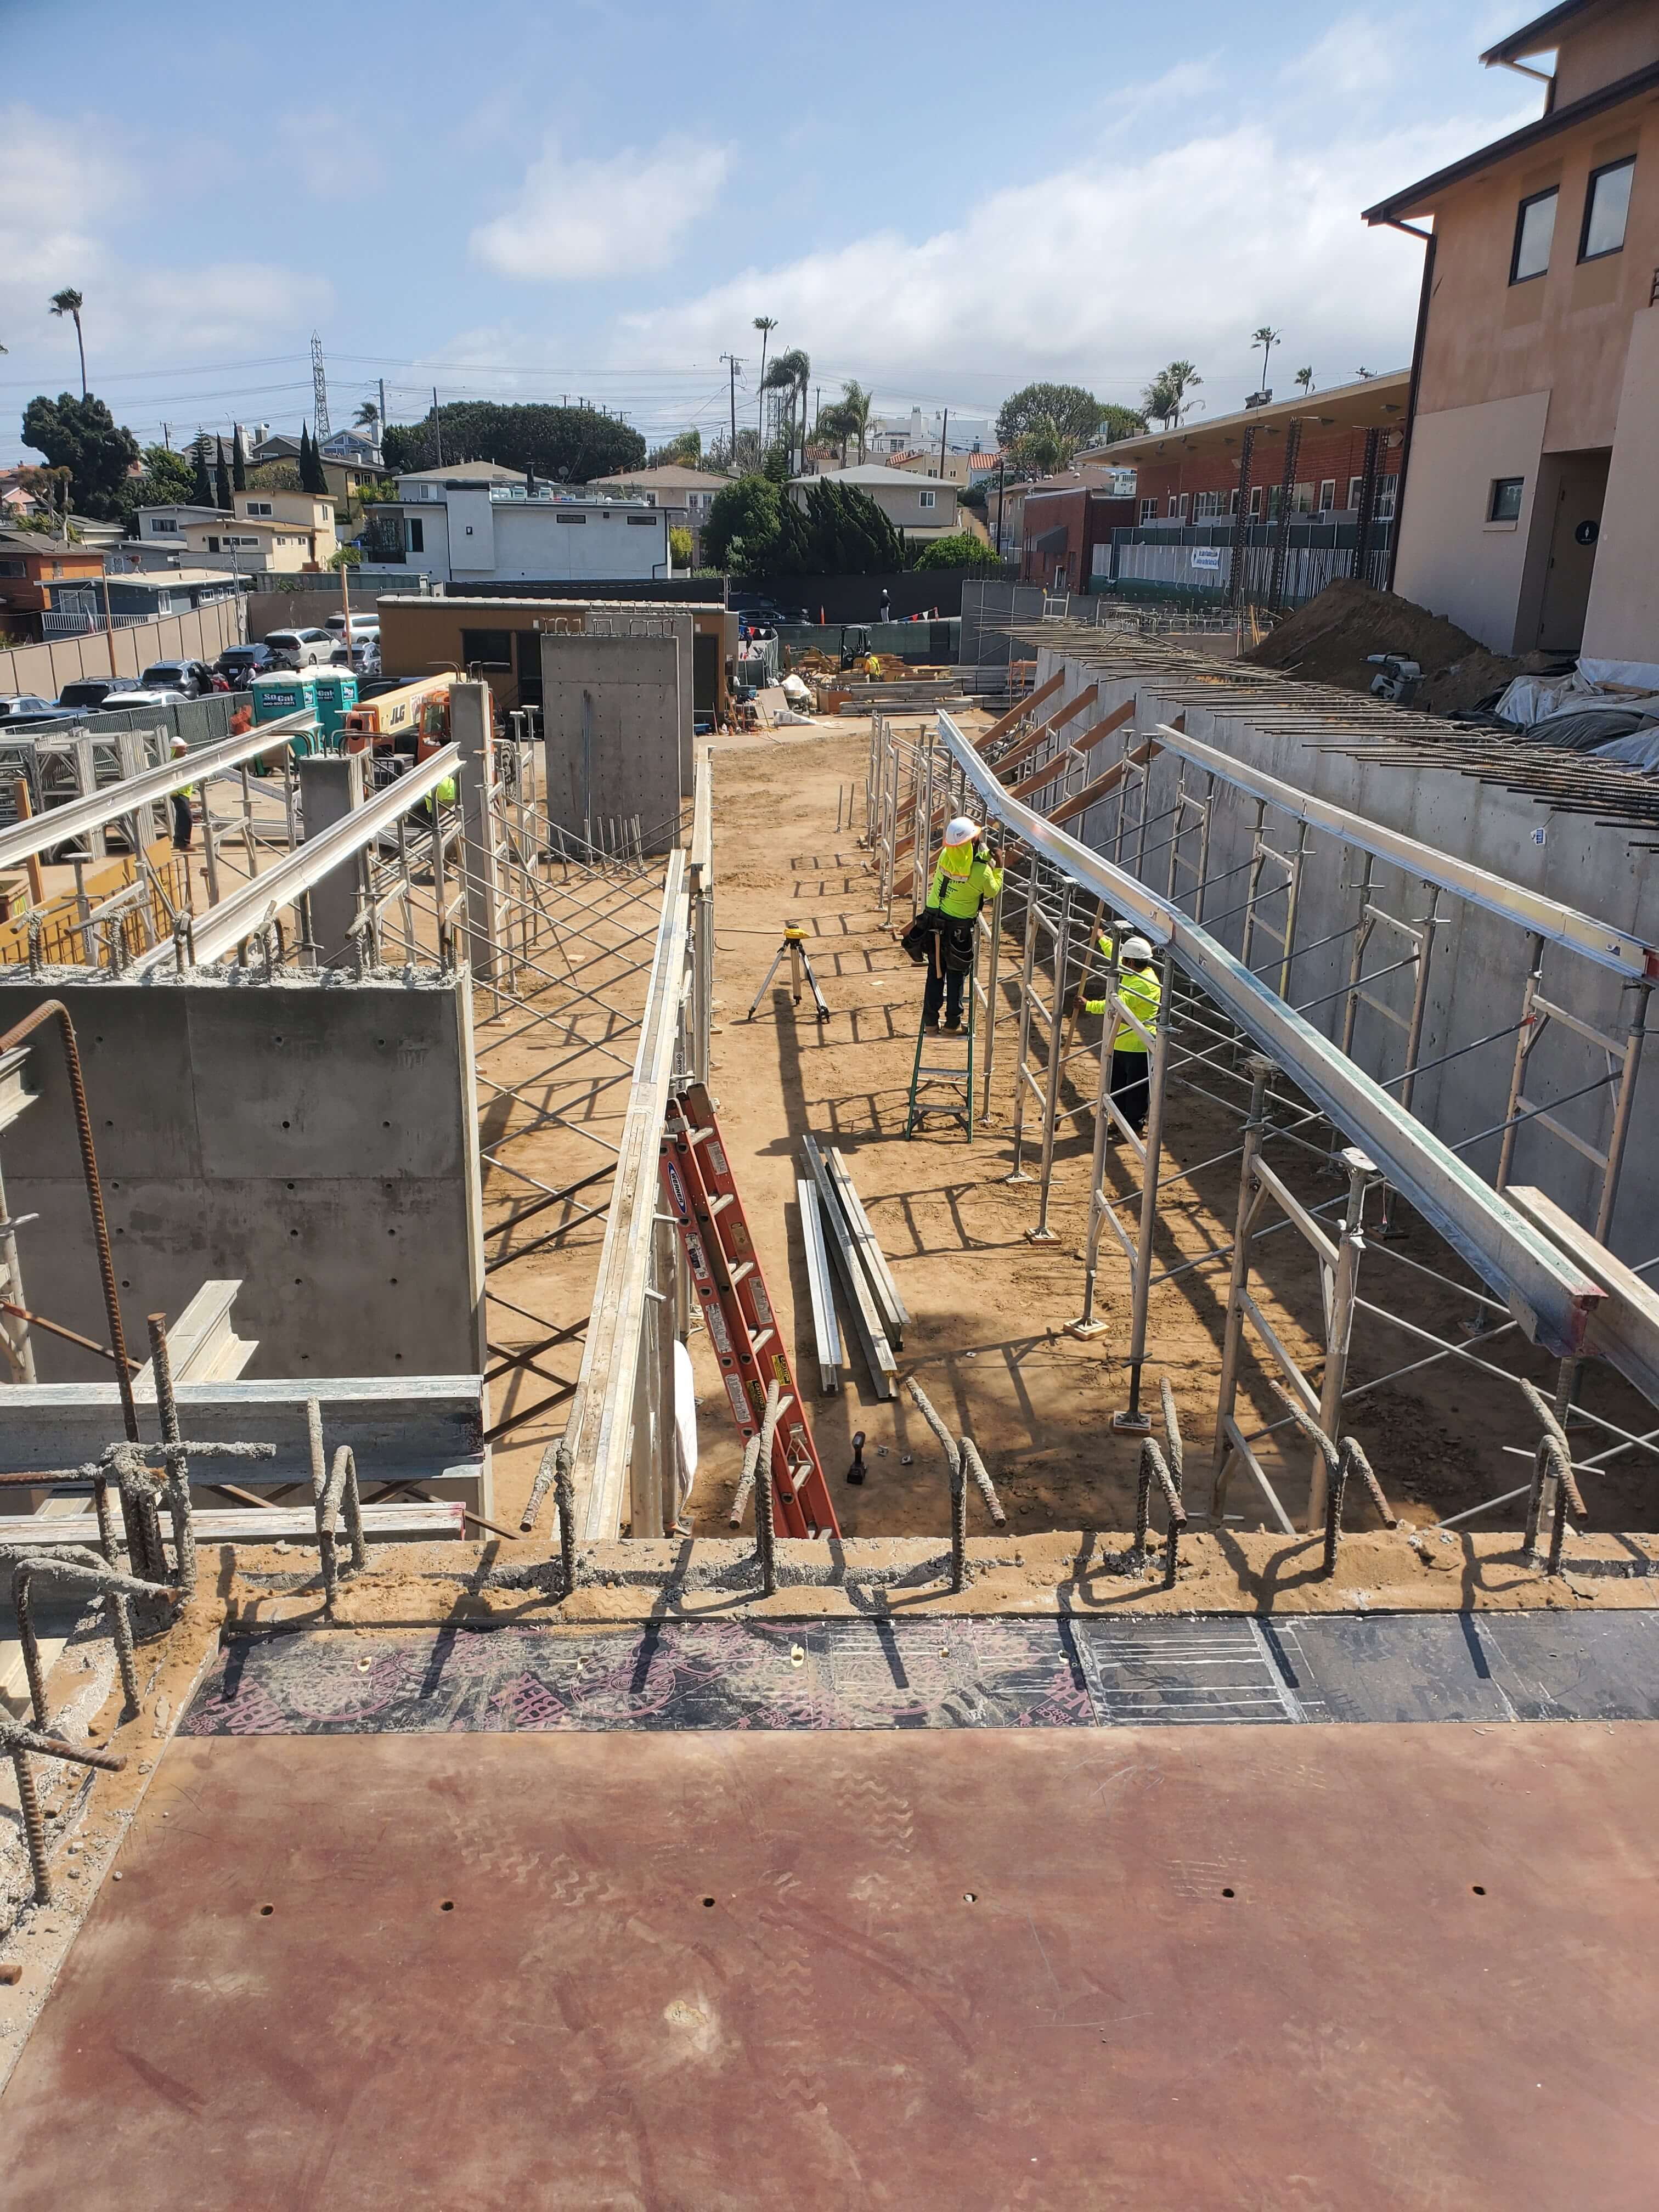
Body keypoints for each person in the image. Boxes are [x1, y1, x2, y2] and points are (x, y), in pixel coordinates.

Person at [922, 814, 1003, 1031]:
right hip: (959, 929)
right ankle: (953, 1022)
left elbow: (965, 860)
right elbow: (993, 890)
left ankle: (930, 1021)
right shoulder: (982, 873)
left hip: (934, 922)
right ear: (972, 843)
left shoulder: (946, 858)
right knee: (956, 973)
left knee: (936, 971)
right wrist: (999, 866)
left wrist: (985, 855)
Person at [1080, 933, 1160, 1137]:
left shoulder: (1143, 983)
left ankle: (1133, 1128)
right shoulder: (1134, 972)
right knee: (1117, 1087)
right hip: (1121, 1043)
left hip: (1138, 1046)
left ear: (1132, 962)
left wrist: (1089, 1005)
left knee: (1135, 1092)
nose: (1121, 963)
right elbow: (1115, 958)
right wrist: (1102, 939)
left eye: (1125, 960)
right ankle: (1120, 1122)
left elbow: (1116, 1005)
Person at [170, 737, 194, 852]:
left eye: (185, 749)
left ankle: (178, 842)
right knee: (187, 817)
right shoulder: (173, 764)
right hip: (177, 794)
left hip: (185, 794)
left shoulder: (187, 759)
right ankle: (184, 843)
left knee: (181, 817)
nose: (185, 751)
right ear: (176, 750)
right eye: (183, 749)